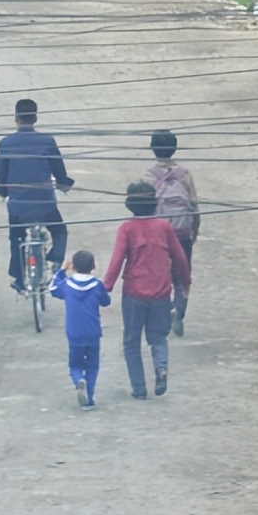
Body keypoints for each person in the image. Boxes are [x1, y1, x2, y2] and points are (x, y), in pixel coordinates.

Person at [103, 182, 189, 400]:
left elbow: (116, 261)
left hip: (134, 294)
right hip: (161, 293)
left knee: (131, 342)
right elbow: (180, 258)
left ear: (130, 205)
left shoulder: (127, 229)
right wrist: (185, 283)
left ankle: (139, 389)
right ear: (154, 203)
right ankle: (160, 369)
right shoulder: (164, 227)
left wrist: (105, 289)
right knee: (158, 338)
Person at [0, 98, 73, 292]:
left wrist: (3, 191)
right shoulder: (47, 141)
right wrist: (63, 184)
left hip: (18, 206)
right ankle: (54, 260)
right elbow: (58, 169)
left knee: (16, 238)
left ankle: (20, 279)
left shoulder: (5, 143)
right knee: (59, 231)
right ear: (35, 118)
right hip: (45, 203)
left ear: (16, 119)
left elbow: (1, 176)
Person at [142, 129, 199, 337]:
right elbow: (194, 205)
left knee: (160, 273)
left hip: (159, 234)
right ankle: (180, 310)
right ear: (175, 148)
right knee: (183, 274)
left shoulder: (148, 177)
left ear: (152, 149)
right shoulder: (184, 175)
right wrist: (194, 231)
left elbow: (144, 209)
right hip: (182, 232)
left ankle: (165, 310)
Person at [49, 249, 110, 410]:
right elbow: (106, 301)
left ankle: (78, 381)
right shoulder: (97, 285)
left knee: (75, 364)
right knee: (92, 365)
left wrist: (62, 271)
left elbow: (53, 289)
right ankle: (89, 397)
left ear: (73, 266)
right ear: (94, 266)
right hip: (93, 333)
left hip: (74, 334)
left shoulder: (67, 285)